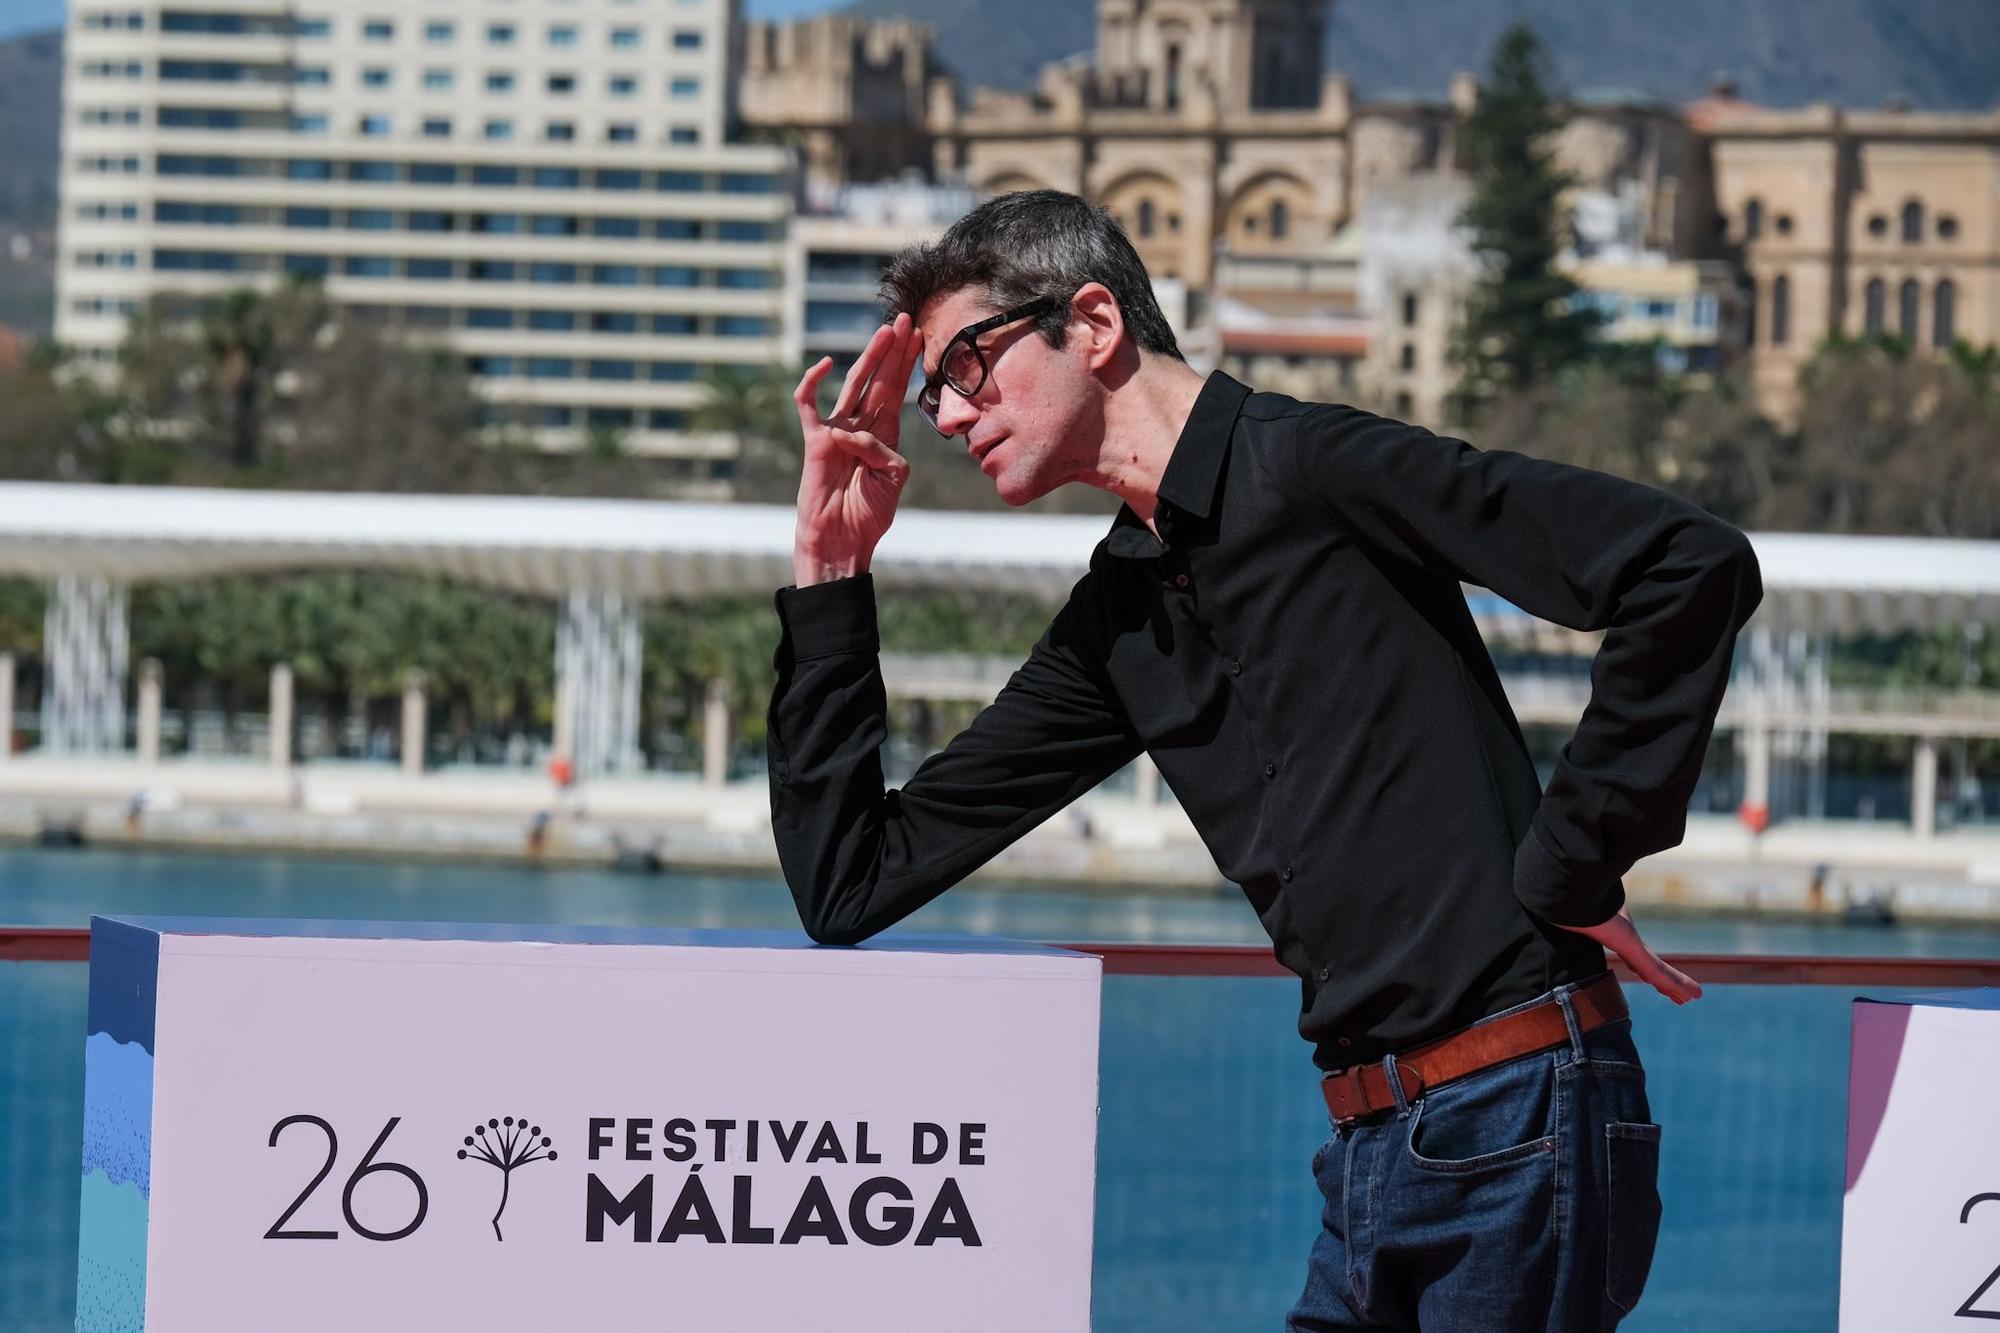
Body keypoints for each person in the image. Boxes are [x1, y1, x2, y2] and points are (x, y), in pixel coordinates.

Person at [765, 190, 1762, 1330]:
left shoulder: (1316, 468)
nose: (941, 413)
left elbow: (1684, 566)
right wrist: (830, 574)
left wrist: (1578, 862)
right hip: (1366, 1159)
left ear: (1090, 324)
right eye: (937, 386)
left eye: (965, 366)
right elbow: (850, 879)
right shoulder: (1118, 621)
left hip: (1521, 1114)